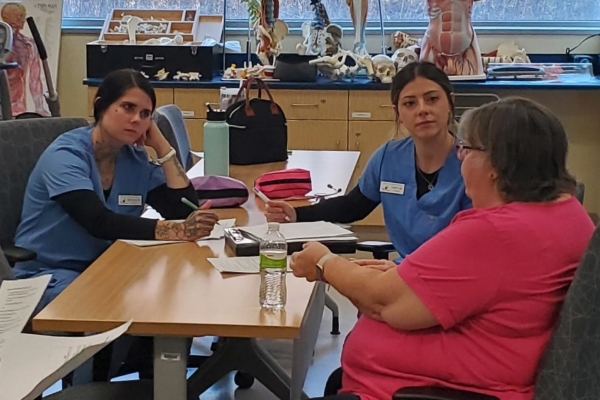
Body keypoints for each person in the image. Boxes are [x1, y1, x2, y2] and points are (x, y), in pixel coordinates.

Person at [290, 97, 595, 400]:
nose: (460, 157)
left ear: (496, 165)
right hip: (470, 376)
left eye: (468, 149)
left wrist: (324, 261)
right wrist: (407, 278)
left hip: (423, 389)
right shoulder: (568, 214)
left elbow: (382, 302)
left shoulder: (494, 232)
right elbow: (489, 289)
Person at [12, 69, 219, 314]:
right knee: (117, 304)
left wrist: (163, 147)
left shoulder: (134, 157)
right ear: (101, 106)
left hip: (106, 264)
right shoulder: (66, 157)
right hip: (50, 273)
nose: (136, 119)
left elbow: (182, 210)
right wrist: (181, 230)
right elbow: (98, 222)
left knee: (170, 297)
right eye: (128, 107)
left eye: (145, 114)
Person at [266, 61, 471, 262]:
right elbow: (353, 206)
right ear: (398, 113)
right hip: (404, 272)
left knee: (333, 269)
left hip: (455, 274)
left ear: (450, 102)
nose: (422, 110)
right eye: (410, 103)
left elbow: (480, 240)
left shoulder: (472, 163)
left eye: (432, 99)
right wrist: (296, 214)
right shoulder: (389, 157)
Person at [1, 2, 46, 116]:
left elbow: (34, 79)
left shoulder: (28, 45)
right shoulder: (3, 46)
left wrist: (39, 107)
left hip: (18, 104)